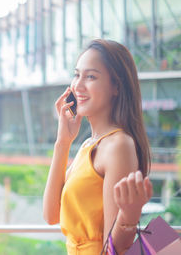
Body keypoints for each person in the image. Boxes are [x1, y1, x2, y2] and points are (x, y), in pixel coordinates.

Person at [43, 39, 153, 255]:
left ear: (116, 86)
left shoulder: (118, 145)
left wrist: (129, 215)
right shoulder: (88, 144)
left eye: (91, 76)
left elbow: (112, 249)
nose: (78, 85)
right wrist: (63, 142)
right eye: (77, 75)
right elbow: (51, 215)